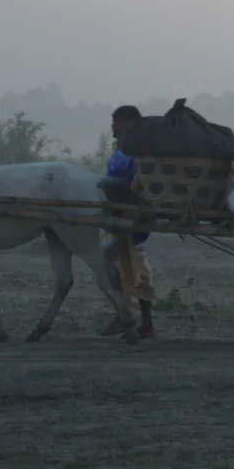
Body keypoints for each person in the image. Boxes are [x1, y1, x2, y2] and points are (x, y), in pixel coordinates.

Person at [99, 105, 156, 338]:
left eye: (116, 122)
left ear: (128, 123)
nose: (113, 126)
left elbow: (127, 182)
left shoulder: (132, 151)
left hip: (128, 215)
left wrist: (100, 184)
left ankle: (135, 319)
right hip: (120, 214)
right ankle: (129, 316)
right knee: (127, 265)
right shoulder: (126, 148)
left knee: (129, 265)